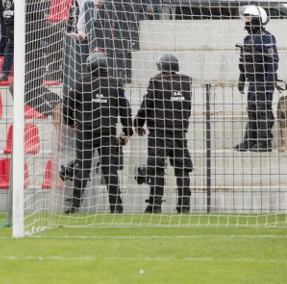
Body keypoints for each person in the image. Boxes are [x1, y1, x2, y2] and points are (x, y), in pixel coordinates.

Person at [62, 52, 132, 214]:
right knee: (110, 170)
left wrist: (70, 122)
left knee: (82, 168)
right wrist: (127, 131)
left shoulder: (80, 82)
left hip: (85, 132)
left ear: (89, 66)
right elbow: (125, 109)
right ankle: (116, 207)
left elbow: (67, 105)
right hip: (107, 133)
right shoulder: (116, 84)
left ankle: (74, 206)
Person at [133, 53, 193, 214]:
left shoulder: (156, 81)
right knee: (182, 169)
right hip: (179, 132)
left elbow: (147, 105)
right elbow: (187, 108)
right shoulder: (186, 82)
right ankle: (184, 205)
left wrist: (138, 123)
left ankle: (155, 204)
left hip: (160, 132)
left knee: (157, 168)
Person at [235, 5, 279, 152]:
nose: (246, 21)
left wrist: (270, 80)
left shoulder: (267, 37)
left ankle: (263, 142)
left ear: (258, 19)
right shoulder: (247, 38)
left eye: (249, 17)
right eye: (245, 17)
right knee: (252, 110)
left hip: (264, 80)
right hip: (252, 80)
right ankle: (249, 141)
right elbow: (244, 61)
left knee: (263, 110)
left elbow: (273, 60)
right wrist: (242, 79)